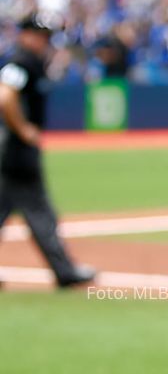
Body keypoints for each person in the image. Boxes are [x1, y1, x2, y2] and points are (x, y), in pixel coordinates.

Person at [0, 16, 97, 289]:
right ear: (26, 35)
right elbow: (5, 96)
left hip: (11, 151)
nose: (44, 41)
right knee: (40, 211)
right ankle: (64, 271)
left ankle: (64, 270)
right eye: (40, 35)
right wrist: (23, 129)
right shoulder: (21, 62)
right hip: (15, 151)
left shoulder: (29, 62)